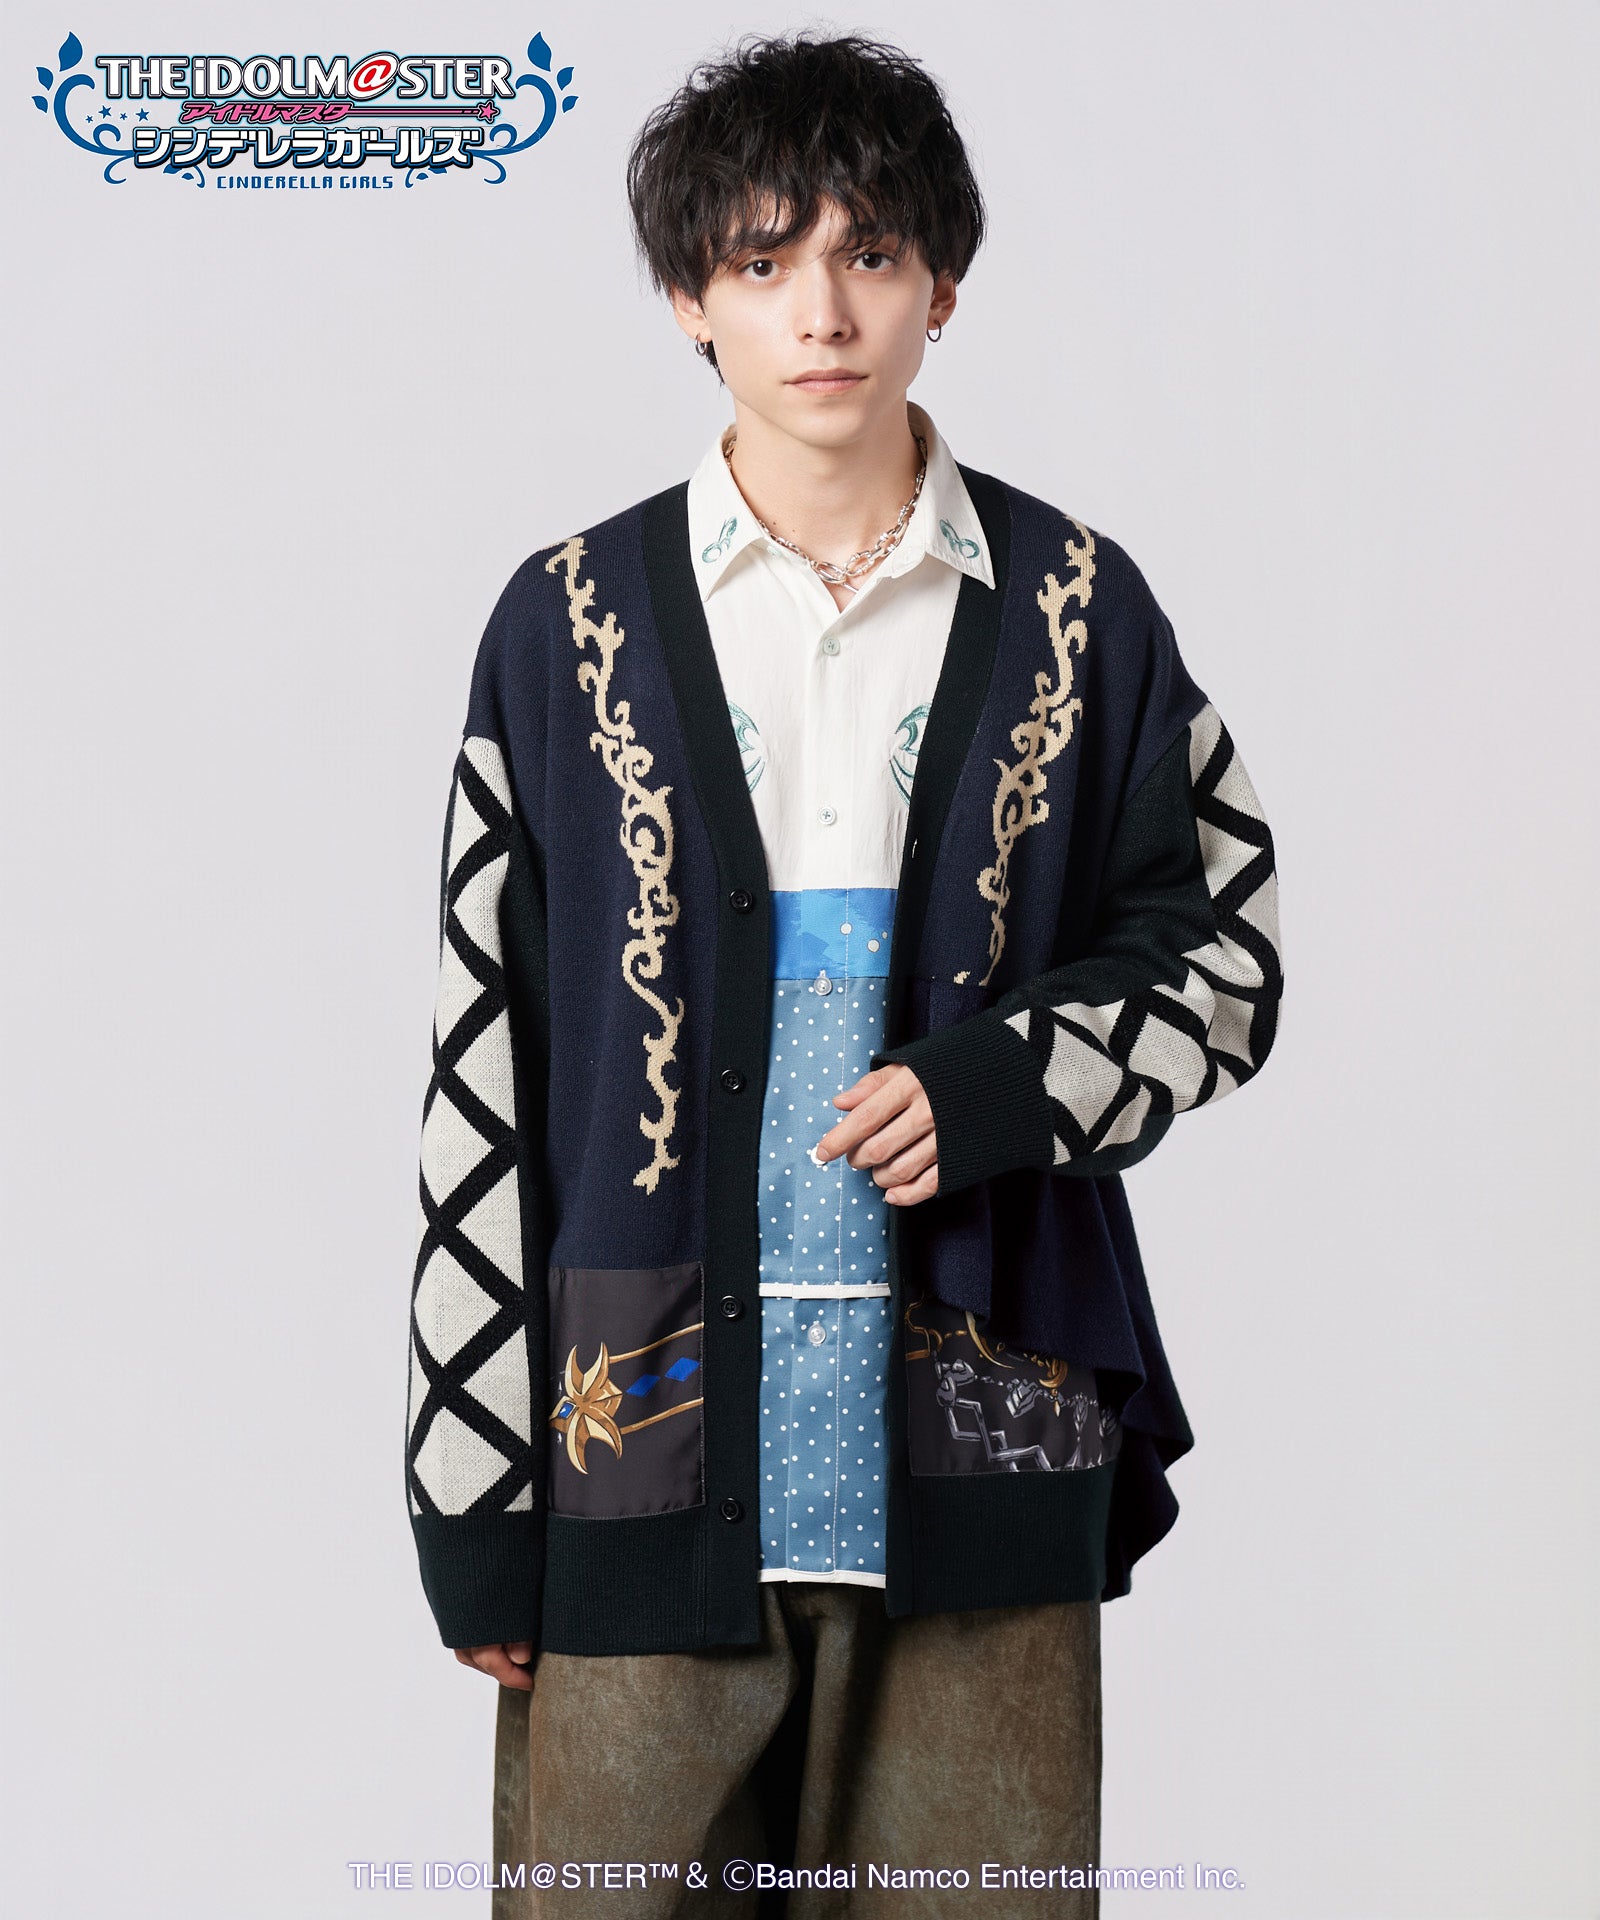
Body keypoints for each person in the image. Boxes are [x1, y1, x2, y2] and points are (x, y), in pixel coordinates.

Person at [403, 30, 1284, 1918]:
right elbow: (486, 1065)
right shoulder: (561, 628)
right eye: (763, 260)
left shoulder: (1078, 610)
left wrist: (1007, 1082)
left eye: (871, 253)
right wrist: (472, 1495)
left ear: (942, 284)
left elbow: (1227, 952)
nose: (822, 311)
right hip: (635, 1458)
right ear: (689, 299)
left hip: (981, 1453)